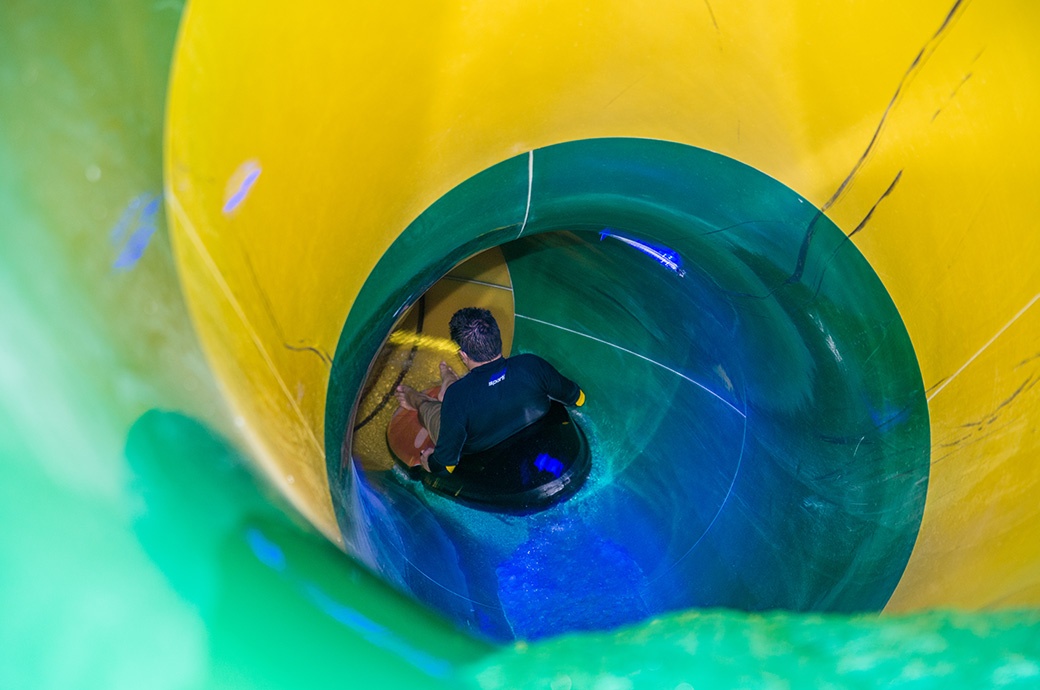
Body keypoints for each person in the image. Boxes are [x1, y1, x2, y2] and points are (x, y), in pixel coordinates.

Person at [395, 307, 585, 475]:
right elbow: (577, 398)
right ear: (497, 338)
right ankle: (448, 380)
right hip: (509, 414)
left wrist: (428, 460)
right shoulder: (530, 365)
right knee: (456, 397)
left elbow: (446, 463)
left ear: (463, 355)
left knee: (428, 407)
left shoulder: (458, 399)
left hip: (473, 435)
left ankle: (415, 398)